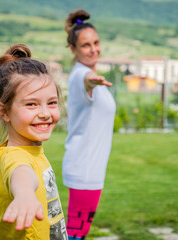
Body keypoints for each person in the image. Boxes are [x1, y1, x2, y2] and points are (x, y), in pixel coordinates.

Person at [0, 43, 68, 240]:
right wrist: (25, 194)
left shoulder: (32, 151)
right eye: (31, 104)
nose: (45, 113)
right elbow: (21, 173)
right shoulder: (14, 156)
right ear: (4, 111)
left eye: (51, 103)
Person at [62, 9, 116, 240]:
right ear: (73, 49)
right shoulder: (80, 76)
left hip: (90, 169)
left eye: (96, 42)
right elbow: (83, 82)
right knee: (75, 235)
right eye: (85, 45)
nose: (93, 49)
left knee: (78, 234)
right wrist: (90, 81)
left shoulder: (89, 74)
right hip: (84, 170)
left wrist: (93, 80)